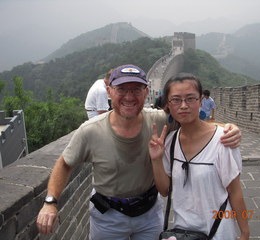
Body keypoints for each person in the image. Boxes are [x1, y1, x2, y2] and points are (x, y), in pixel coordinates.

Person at [36, 64, 242, 240]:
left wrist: (227, 127)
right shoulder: (90, 131)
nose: (129, 96)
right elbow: (64, 164)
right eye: (121, 89)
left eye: (136, 89)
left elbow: (192, 122)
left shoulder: (159, 121)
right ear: (109, 91)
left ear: (146, 92)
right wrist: (50, 202)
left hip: (149, 215)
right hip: (108, 217)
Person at [149, 73, 249, 240]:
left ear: (201, 101)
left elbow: (235, 191)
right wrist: (156, 159)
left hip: (218, 232)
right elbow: (165, 190)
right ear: (168, 104)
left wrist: (245, 233)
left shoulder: (223, 141)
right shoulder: (170, 142)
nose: (183, 105)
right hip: (182, 233)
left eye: (190, 98)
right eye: (176, 99)